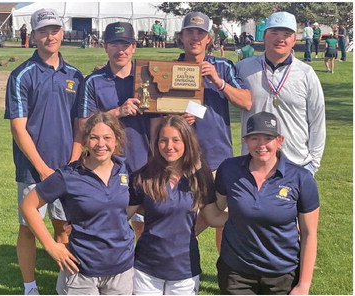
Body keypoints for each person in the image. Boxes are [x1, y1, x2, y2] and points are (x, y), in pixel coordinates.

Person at [4, 8, 83, 295]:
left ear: (63, 33)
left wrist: (73, 162)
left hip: (66, 168)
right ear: (33, 36)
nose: (50, 36)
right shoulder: (22, 74)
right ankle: (29, 286)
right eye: (43, 31)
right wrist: (42, 168)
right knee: (28, 227)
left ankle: (66, 284)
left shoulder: (75, 74)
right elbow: (18, 128)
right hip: (32, 168)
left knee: (64, 228)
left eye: (54, 30)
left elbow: (80, 125)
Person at [20, 112, 135, 295]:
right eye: (94, 138)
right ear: (86, 140)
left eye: (107, 138)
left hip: (121, 269)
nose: (101, 144)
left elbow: (131, 206)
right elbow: (28, 205)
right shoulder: (68, 176)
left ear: (117, 140)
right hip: (80, 270)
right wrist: (51, 246)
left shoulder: (125, 169)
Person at [215, 111, 320, 295]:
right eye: (254, 138)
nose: (261, 145)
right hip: (236, 274)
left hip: (282, 275)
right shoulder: (229, 169)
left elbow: (309, 234)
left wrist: (304, 285)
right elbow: (214, 210)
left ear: (280, 140)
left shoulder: (301, 178)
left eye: (268, 138)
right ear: (246, 140)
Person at [176, 11, 251, 253]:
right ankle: (185, 271)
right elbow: (155, 108)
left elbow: (247, 101)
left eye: (201, 32)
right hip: (181, 159)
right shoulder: (170, 68)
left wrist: (219, 81)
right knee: (184, 216)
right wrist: (176, 118)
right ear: (181, 36)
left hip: (218, 157)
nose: (195, 37)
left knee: (222, 219)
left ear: (209, 38)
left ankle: (224, 270)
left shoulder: (223, 66)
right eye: (190, 31)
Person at [128, 115, 227, 295]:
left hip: (185, 268)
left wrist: (249, 216)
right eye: (163, 140)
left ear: (187, 142)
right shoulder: (143, 177)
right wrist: (84, 224)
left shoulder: (200, 177)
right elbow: (118, 216)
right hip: (147, 268)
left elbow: (213, 217)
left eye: (176, 140)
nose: (169, 146)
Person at [74, 21, 151, 240]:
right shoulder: (93, 81)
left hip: (145, 161)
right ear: (105, 47)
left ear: (134, 47)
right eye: (115, 44)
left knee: (145, 224)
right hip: (106, 165)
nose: (121, 50)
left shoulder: (148, 76)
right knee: (107, 221)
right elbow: (83, 125)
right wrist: (118, 112)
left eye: (126, 44)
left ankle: (140, 271)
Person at [235, 11, 326, 176]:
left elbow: (317, 120)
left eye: (286, 34)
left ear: (294, 39)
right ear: (264, 36)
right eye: (274, 33)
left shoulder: (306, 73)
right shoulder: (244, 68)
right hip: (254, 163)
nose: (280, 38)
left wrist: (313, 163)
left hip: (296, 162)